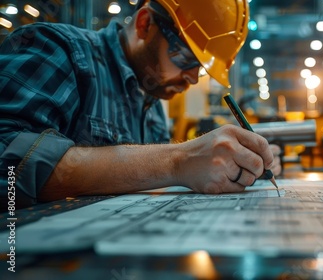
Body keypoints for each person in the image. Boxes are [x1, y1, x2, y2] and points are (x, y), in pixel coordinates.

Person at [0, 0, 281, 207]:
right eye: (186, 59)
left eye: (202, 69)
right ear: (145, 23)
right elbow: (7, 163)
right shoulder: (59, 51)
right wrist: (176, 161)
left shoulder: (152, 106)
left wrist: (238, 164)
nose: (194, 78)